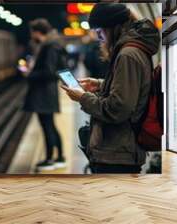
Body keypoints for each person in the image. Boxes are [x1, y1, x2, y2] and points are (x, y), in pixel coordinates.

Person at [61, 3, 160, 173]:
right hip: (118, 150)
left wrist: (82, 97)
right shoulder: (130, 50)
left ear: (113, 28)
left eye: (100, 32)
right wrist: (99, 84)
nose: (99, 38)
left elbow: (118, 108)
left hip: (118, 153)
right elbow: (131, 90)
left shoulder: (128, 54)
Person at [23, 18, 67, 171]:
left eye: (32, 32)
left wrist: (30, 74)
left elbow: (49, 72)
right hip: (47, 92)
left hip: (44, 93)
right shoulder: (53, 44)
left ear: (36, 32)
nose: (31, 35)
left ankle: (50, 159)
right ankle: (59, 157)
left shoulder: (49, 46)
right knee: (50, 125)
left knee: (47, 126)